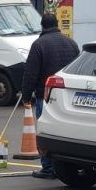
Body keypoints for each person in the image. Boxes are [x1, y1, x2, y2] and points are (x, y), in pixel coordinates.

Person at [21, 13, 79, 179]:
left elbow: (30, 73)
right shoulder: (72, 44)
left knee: (45, 131)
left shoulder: (39, 45)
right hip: (68, 97)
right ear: (57, 23)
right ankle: (66, 166)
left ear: (42, 26)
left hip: (45, 97)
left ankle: (48, 168)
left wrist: (26, 95)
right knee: (65, 132)